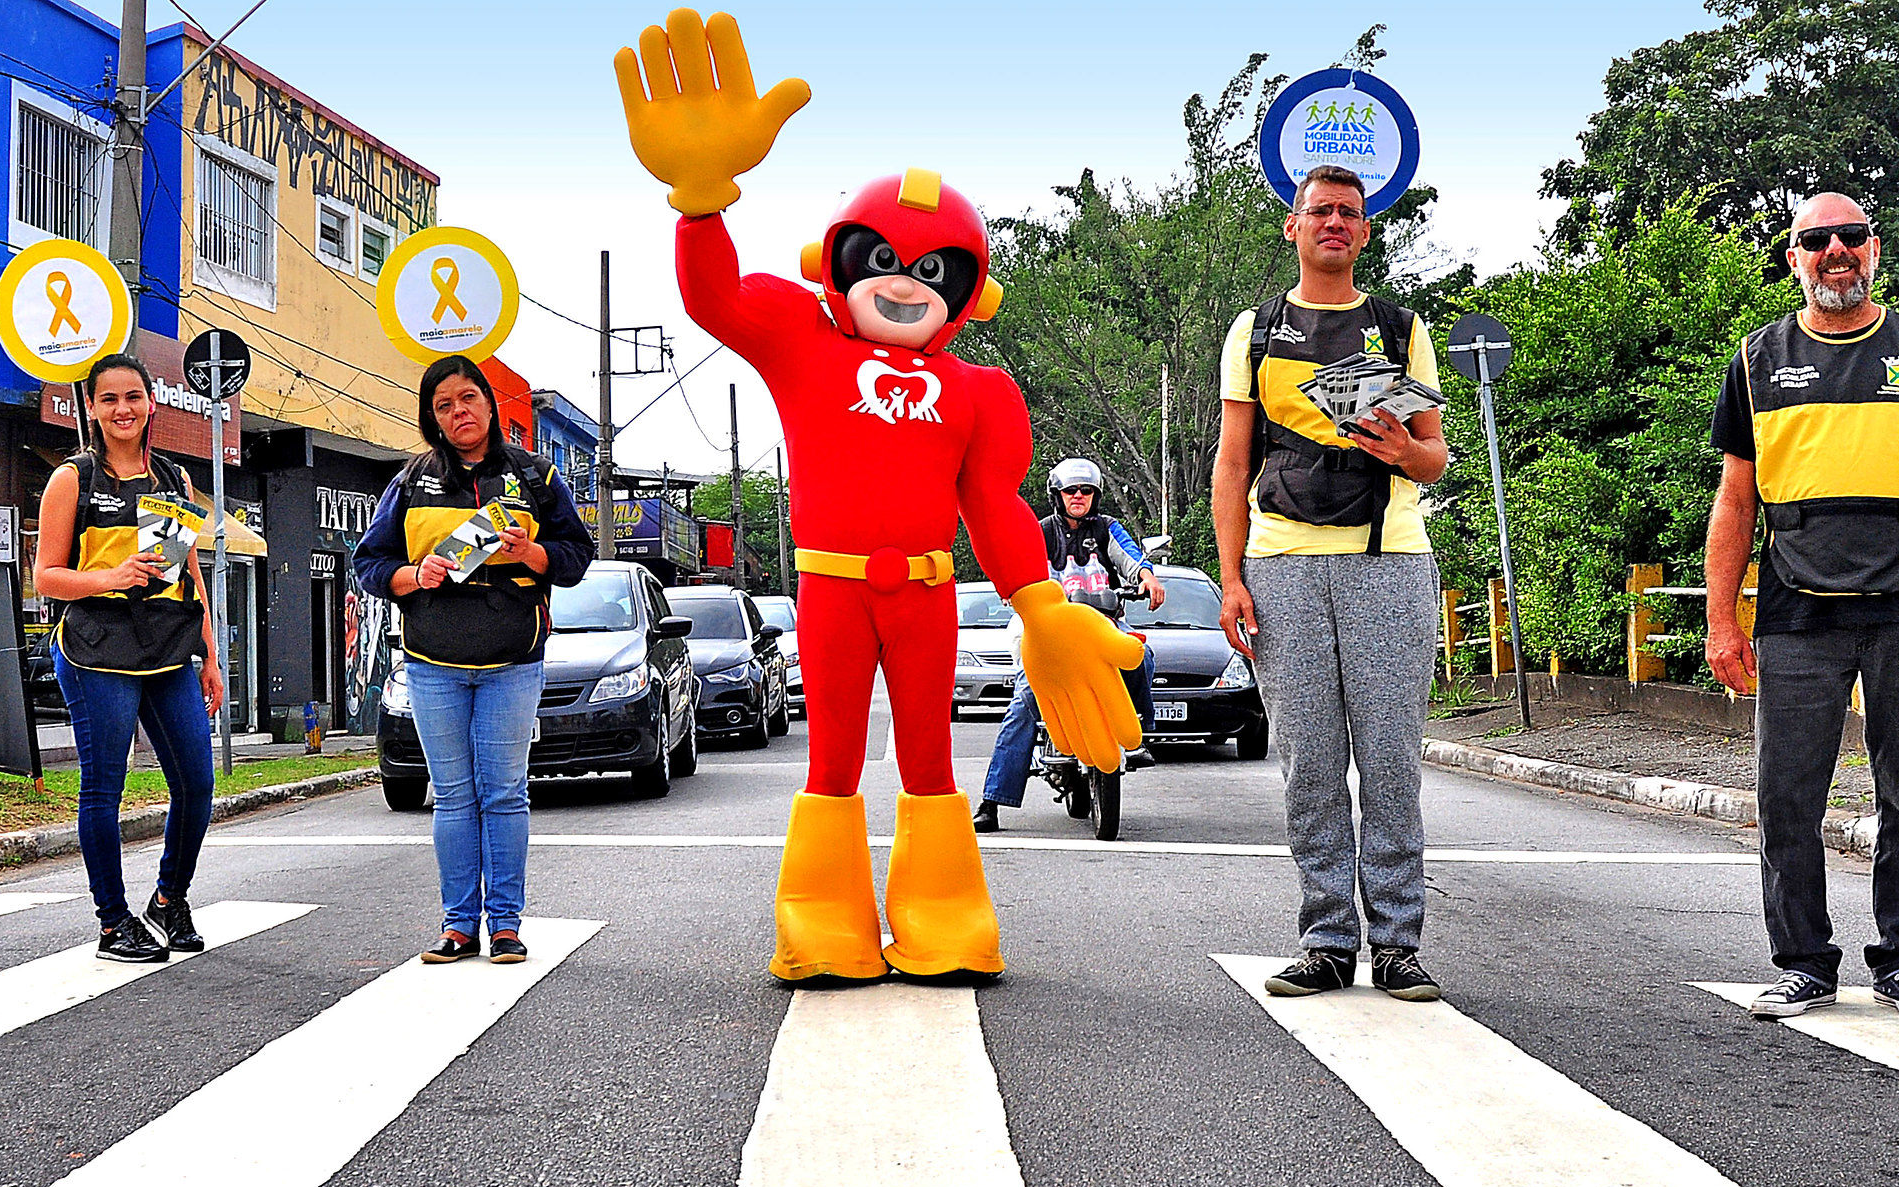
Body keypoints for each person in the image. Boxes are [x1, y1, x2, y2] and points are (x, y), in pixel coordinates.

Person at [616, 10, 1142, 982]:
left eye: (933, 271)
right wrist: (699, 201)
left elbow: (990, 507)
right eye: (883, 262)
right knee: (832, 762)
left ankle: (941, 915)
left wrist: (1039, 604)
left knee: (929, 758)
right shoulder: (798, 338)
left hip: (927, 591)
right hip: (831, 589)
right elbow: (714, 297)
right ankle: (822, 920)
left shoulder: (981, 391)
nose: (903, 285)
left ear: (970, 290)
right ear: (836, 262)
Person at [1705, 192, 1899, 1021]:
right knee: (1786, 795)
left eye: (1850, 237)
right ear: (1792, 258)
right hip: (1798, 604)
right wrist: (1721, 620)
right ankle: (1803, 960)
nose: (1835, 252)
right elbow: (1734, 502)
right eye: (1815, 241)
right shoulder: (1757, 360)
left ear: (1875, 249)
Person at [1211, 164, 1451, 1003]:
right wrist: (1230, 576)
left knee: (1390, 761)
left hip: (1388, 559)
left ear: (1367, 231)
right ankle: (1324, 938)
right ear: (1294, 227)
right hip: (1281, 563)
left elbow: (1434, 454)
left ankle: (1396, 944)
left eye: (1350, 213)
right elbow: (1234, 460)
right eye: (1321, 212)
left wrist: (1396, 448)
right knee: (1307, 762)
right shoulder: (1256, 328)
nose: (1335, 224)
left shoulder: (1398, 326)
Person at [353, 355, 593, 965]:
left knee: (505, 792)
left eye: (468, 399)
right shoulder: (410, 482)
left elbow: (575, 557)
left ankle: (506, 925)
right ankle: (458, 925)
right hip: (433, 661)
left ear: (489, 403)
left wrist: (533, 551)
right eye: (444, 405)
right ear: (432, 418)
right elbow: (369, 564)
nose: (459, 412)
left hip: (513, 659)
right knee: (454, 794)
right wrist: (414, 573)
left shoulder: (535, 476)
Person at [34, 352, 223, 963]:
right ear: (91, 407)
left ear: (151, 403)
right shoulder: (73, 479)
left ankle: (168, 900)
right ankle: (113, 922)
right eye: (110, 398)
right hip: (96, 651)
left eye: (134, 397)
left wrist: (212, 657)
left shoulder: (173, 480)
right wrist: (110, 575)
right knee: (104, 788)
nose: (124, 409)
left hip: (169, 651)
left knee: (197, 782)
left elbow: (190, 572)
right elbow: (46, 578)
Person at [973, 458, 1165, 833]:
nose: (1079, 497)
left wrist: (1147, 578)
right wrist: (1014, 592)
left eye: (1087, 491)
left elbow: (1131, 557)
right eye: (1071, 490)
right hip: (1051, 639)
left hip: (1103, 626)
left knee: (1142, 657)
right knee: (1025, 702)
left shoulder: (1108, 528)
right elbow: (1016, 566)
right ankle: (991, 801)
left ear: (1096, 495)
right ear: (1057, 495)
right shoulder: (1039, 531)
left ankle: (1139, 732)